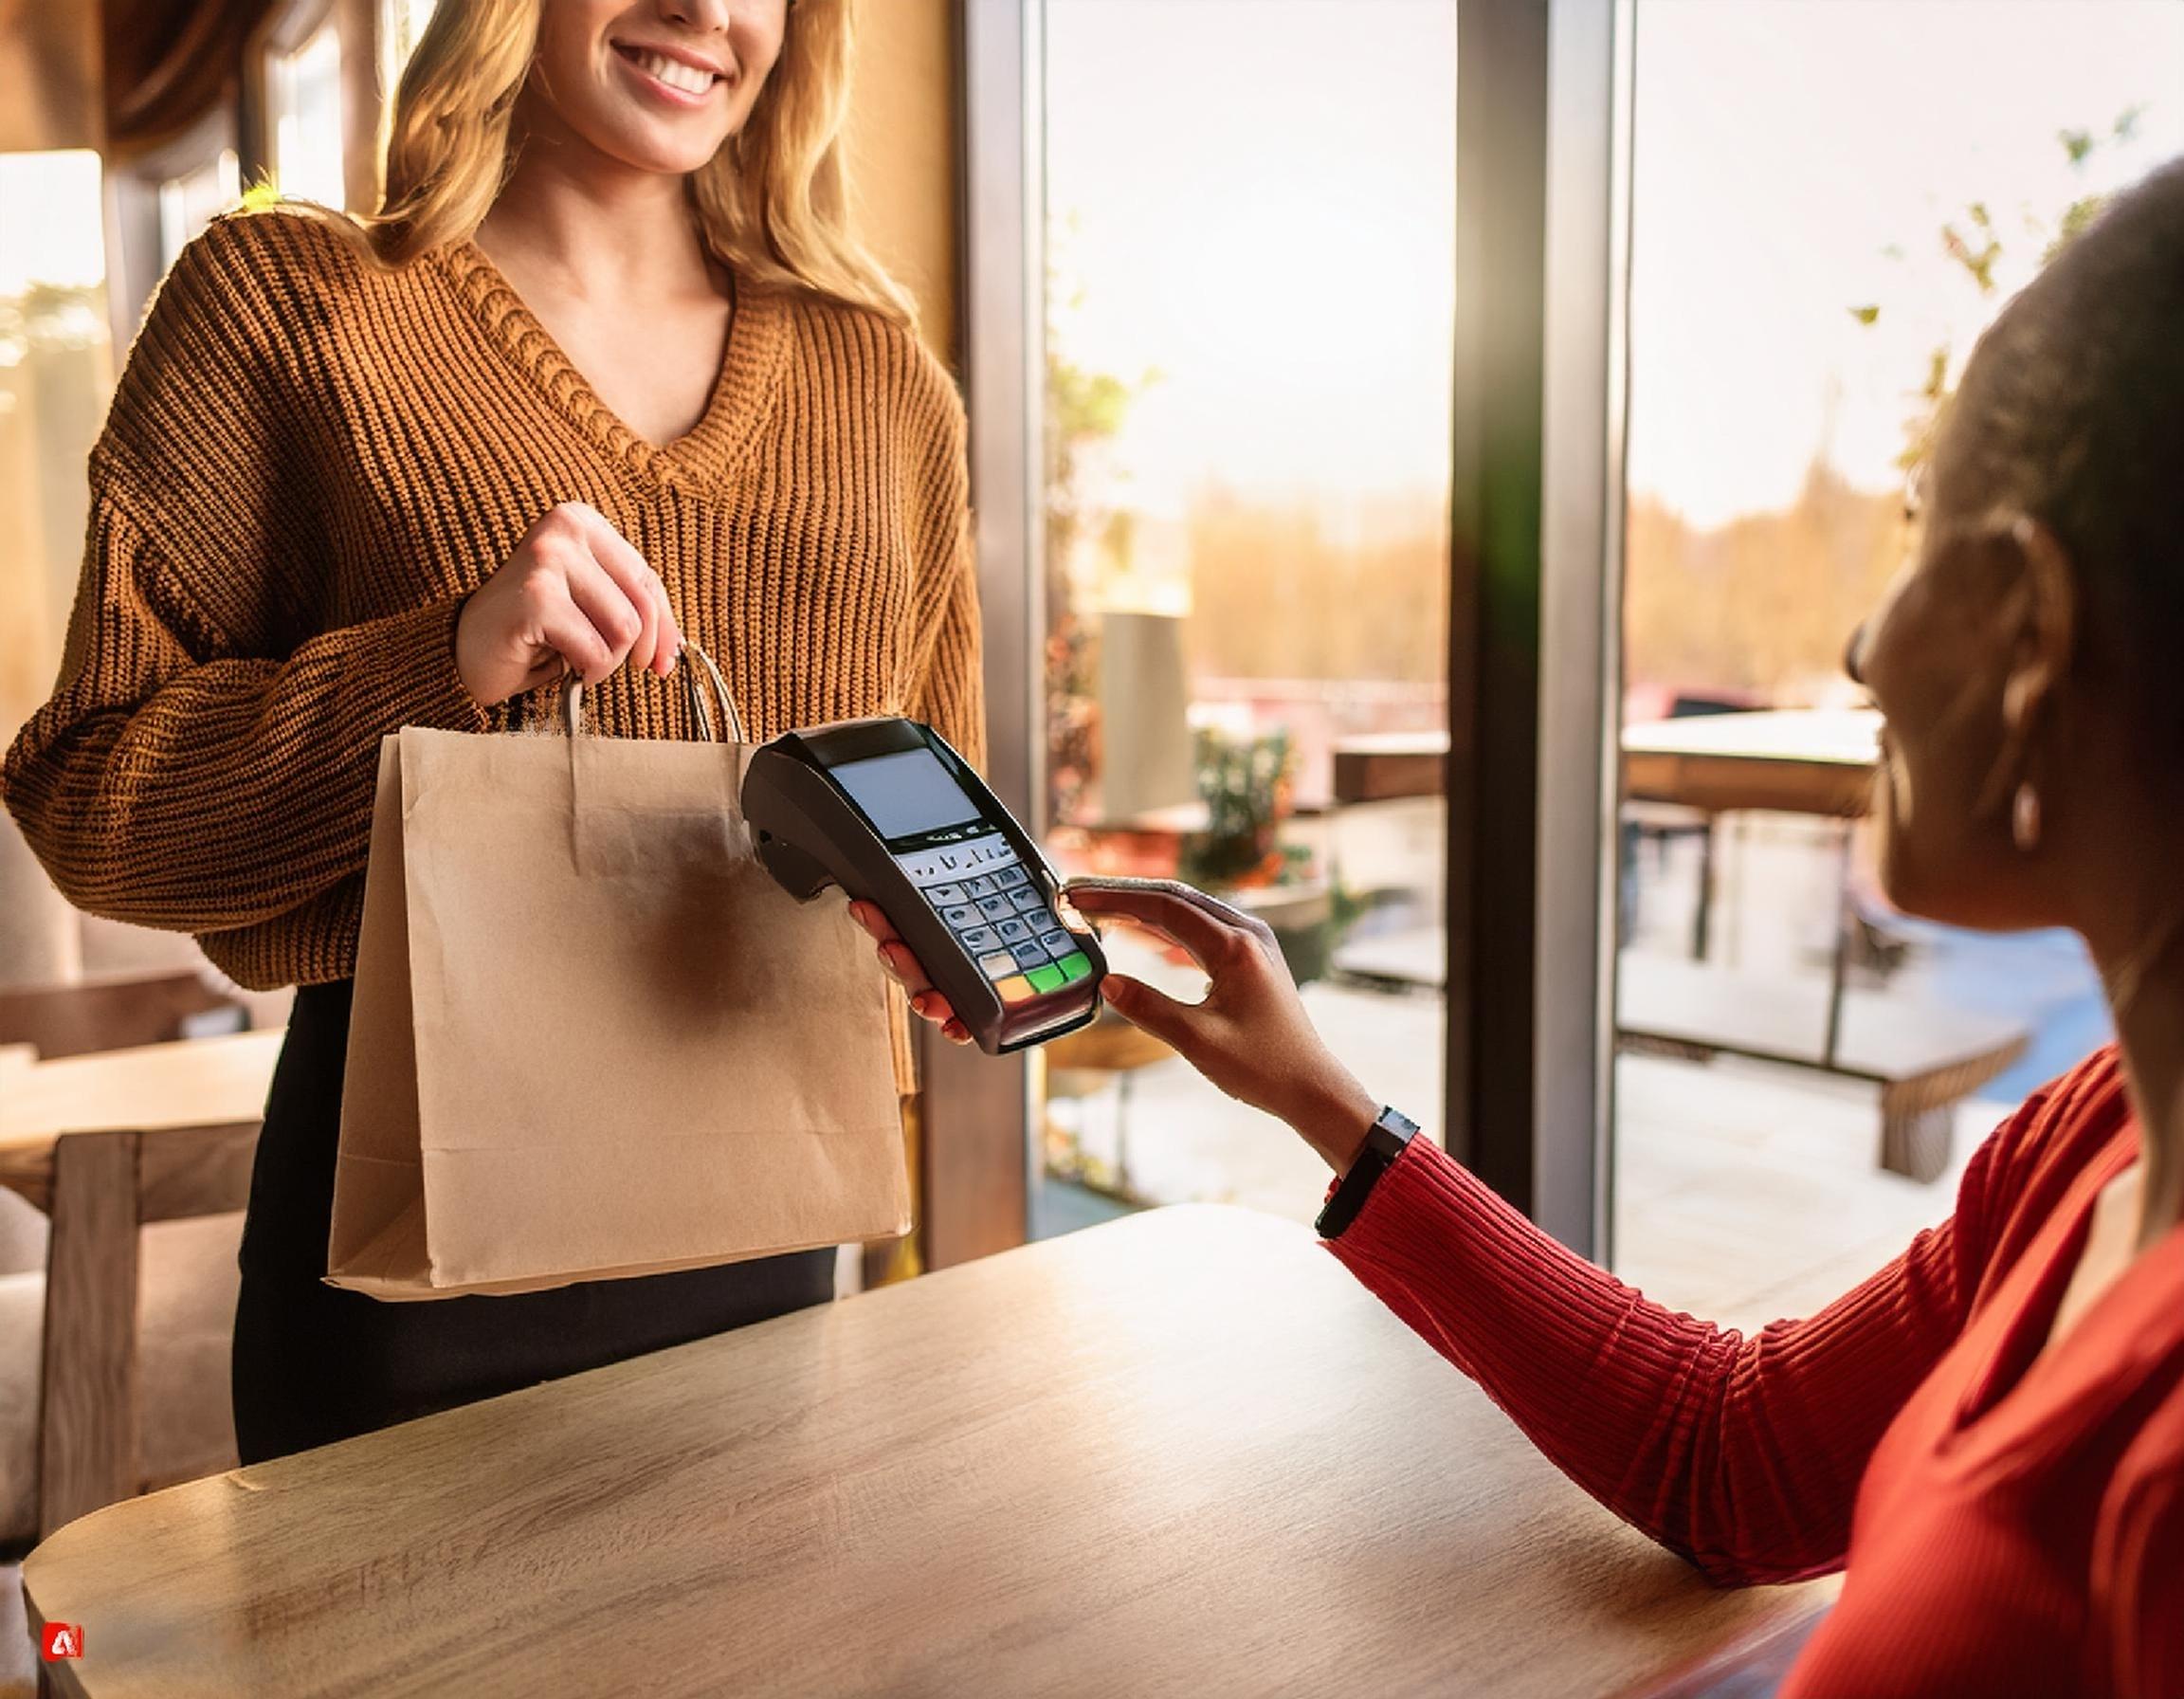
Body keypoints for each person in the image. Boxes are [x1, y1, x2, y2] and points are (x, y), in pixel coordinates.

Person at [864, 158, 2184, 1694]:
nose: (1859, 642)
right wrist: (1321, 1101)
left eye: (1917, 539)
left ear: (2029, 632)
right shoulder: (2088, 1147)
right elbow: (1731, 1459)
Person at [3, 0, 980, 1462]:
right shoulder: (290, 303)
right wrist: (442, 662)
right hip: (412, 1253)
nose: (706, 14)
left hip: (775, 1227)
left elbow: (932, 812)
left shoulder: (881, 379)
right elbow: (93, 803)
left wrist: (997, 921)